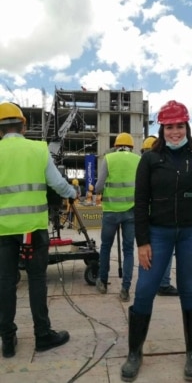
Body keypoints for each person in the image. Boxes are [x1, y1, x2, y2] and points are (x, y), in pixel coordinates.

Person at [121, 100, 192, 382]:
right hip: (158, 233)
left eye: (179, 126)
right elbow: (140, 203)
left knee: (189, 289)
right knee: (146, 289)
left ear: (186, 127)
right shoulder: (150, 160)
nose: (175, 132)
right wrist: (142, 242)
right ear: (161, 129)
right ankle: (134, 353)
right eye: (169, 127)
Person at [0, 102, 79, 358]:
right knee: (36, 281)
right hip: (33, 230)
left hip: (2, 232)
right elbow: (57, 183)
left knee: (5, 283)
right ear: (23, 125)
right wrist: (73, 192)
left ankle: (8, 341)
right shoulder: (37, 149)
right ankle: (42, 335)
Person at [95, 132, 140, 302]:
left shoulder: (109, 158)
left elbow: (99, 187)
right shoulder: (138, 160)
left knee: (106, 247)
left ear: (116, 145)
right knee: (128, 250)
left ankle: (103, 282)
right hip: (131, 212)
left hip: (111, 212)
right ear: (131, 146)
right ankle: (125, 289)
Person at [141, 136, 178, 297]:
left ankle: (150, 283)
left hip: (144, 216)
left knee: (147, 252)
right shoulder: (161, 164)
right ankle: (163, 284)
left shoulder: (141, 163)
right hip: (160, 217)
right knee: (167, 251)